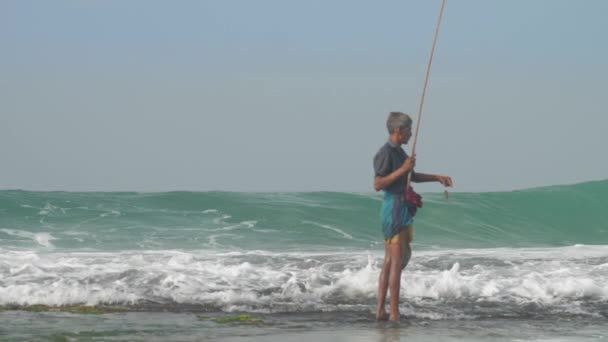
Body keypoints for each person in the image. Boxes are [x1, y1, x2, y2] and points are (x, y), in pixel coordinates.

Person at [373, 111, 453, 321]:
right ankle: (394, 313)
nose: (411, 134)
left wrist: (437, 177)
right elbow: (378, 184)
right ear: (399, 131)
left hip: (400, 207)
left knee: (390, 262)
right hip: (394, 208)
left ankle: (381, 311)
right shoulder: (385, 153)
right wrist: (403, 169)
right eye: (409, 130)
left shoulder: (400, 153)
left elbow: (412, 177)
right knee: (395, 263)